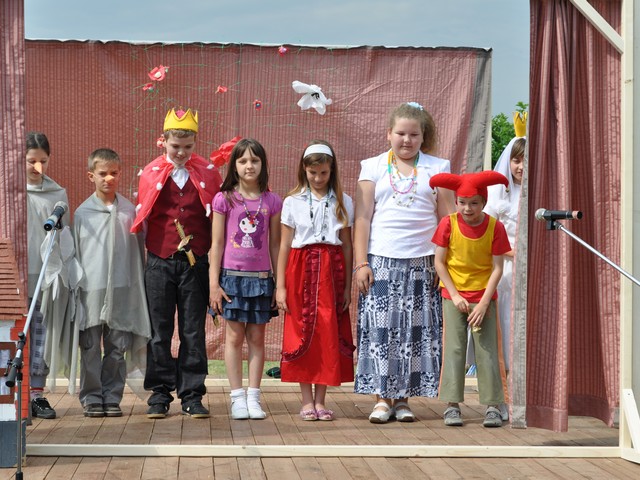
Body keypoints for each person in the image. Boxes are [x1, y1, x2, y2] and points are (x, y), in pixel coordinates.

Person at [353, 102, 455, 424]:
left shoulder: (438, 168)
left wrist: (446, 264)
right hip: (381, 260)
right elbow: (363, 218)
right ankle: (381, 399)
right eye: (400, 133)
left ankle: (403, 400)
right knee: (382, 331)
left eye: (414, 134)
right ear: (389, 134)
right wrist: (361, 262)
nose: (407, 140)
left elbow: (448, 218)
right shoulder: (372, 167)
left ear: (423, 136)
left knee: (414, 332)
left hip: (424, 262)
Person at [131, 107, 222, 419]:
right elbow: (143, 216)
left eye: (187, 146)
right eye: (175, 146)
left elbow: (217, 217)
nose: (181, 152)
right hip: (160, 261)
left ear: (195, 143)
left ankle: (192, 394)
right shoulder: (151, 172)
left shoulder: (208, 173)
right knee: (159, 331)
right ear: (163, 141)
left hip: (195, 264)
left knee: (192, 331)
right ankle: (159, 393)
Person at [276, 140, 355, 421]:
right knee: (301, 330)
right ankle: (306, 400)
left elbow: (347, 246)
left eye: (323, 173)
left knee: (327, 332)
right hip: (301, 269)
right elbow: (285, 245)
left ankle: (321, 400)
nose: (318, 178)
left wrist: (347, 286)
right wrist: (280, 286)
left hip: (332, 271)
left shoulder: (344, 201)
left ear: (332, 171)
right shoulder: (292, 201)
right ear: (304, 170)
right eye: (313, 173)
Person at [73, 148, 152, 417]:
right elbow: (77, 255)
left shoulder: (129, 212)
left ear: (120, 174)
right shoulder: (82, 214)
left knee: (117, 347)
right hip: (91, 290)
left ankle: (112, 396)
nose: (109, 178)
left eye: (114, 173)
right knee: (90, 346)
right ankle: (92, 396)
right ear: (91, 176)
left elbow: (136, 254)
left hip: (121, 289)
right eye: (103, 173)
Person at [430, 171, 511, 428]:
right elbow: (439, 263)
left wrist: (485, 302)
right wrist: (454, 295)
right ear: (456, 202)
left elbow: (497, 268)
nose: (468, 208)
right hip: (453, 296)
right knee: (454, 349)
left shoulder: (495, 227)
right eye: (462, 202)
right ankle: (452, 405)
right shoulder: (448, 223)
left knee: (487, 350)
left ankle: (493, 406)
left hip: (483, 297)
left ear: (484, 202)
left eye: (474, 203)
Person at [209, 138, 282, 420]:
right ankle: (237, 398)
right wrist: (214, 284)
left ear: (263, 164)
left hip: (261, 280)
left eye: (254, 160)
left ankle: (254, 397)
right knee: (234, 336)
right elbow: (217, 244)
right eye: (242, 161)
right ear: (234, 166)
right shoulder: (224, 199)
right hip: (231, 279)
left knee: (256, 338)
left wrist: (278, 284)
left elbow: (275, 244)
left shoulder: (272, 201)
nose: (249, 166)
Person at [26, 132, 72, 419]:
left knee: (41, 334)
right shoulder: (9, 192)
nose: (37, 167)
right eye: (31, 160)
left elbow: (64, 237)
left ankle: (36, 394)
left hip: (44, 274)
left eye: (43, 161)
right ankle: (11, 395)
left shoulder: (58, 194)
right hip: (13, 276)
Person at [483, 121, 526, 421]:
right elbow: (487, 234)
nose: (521, 167)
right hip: (506, 272)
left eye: (526, 160)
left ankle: (524, 396)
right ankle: (502, 398)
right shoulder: (499, 195)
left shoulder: (540, 192)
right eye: (516, 160)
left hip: (531, 272)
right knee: (505, 330)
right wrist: (512, 253)